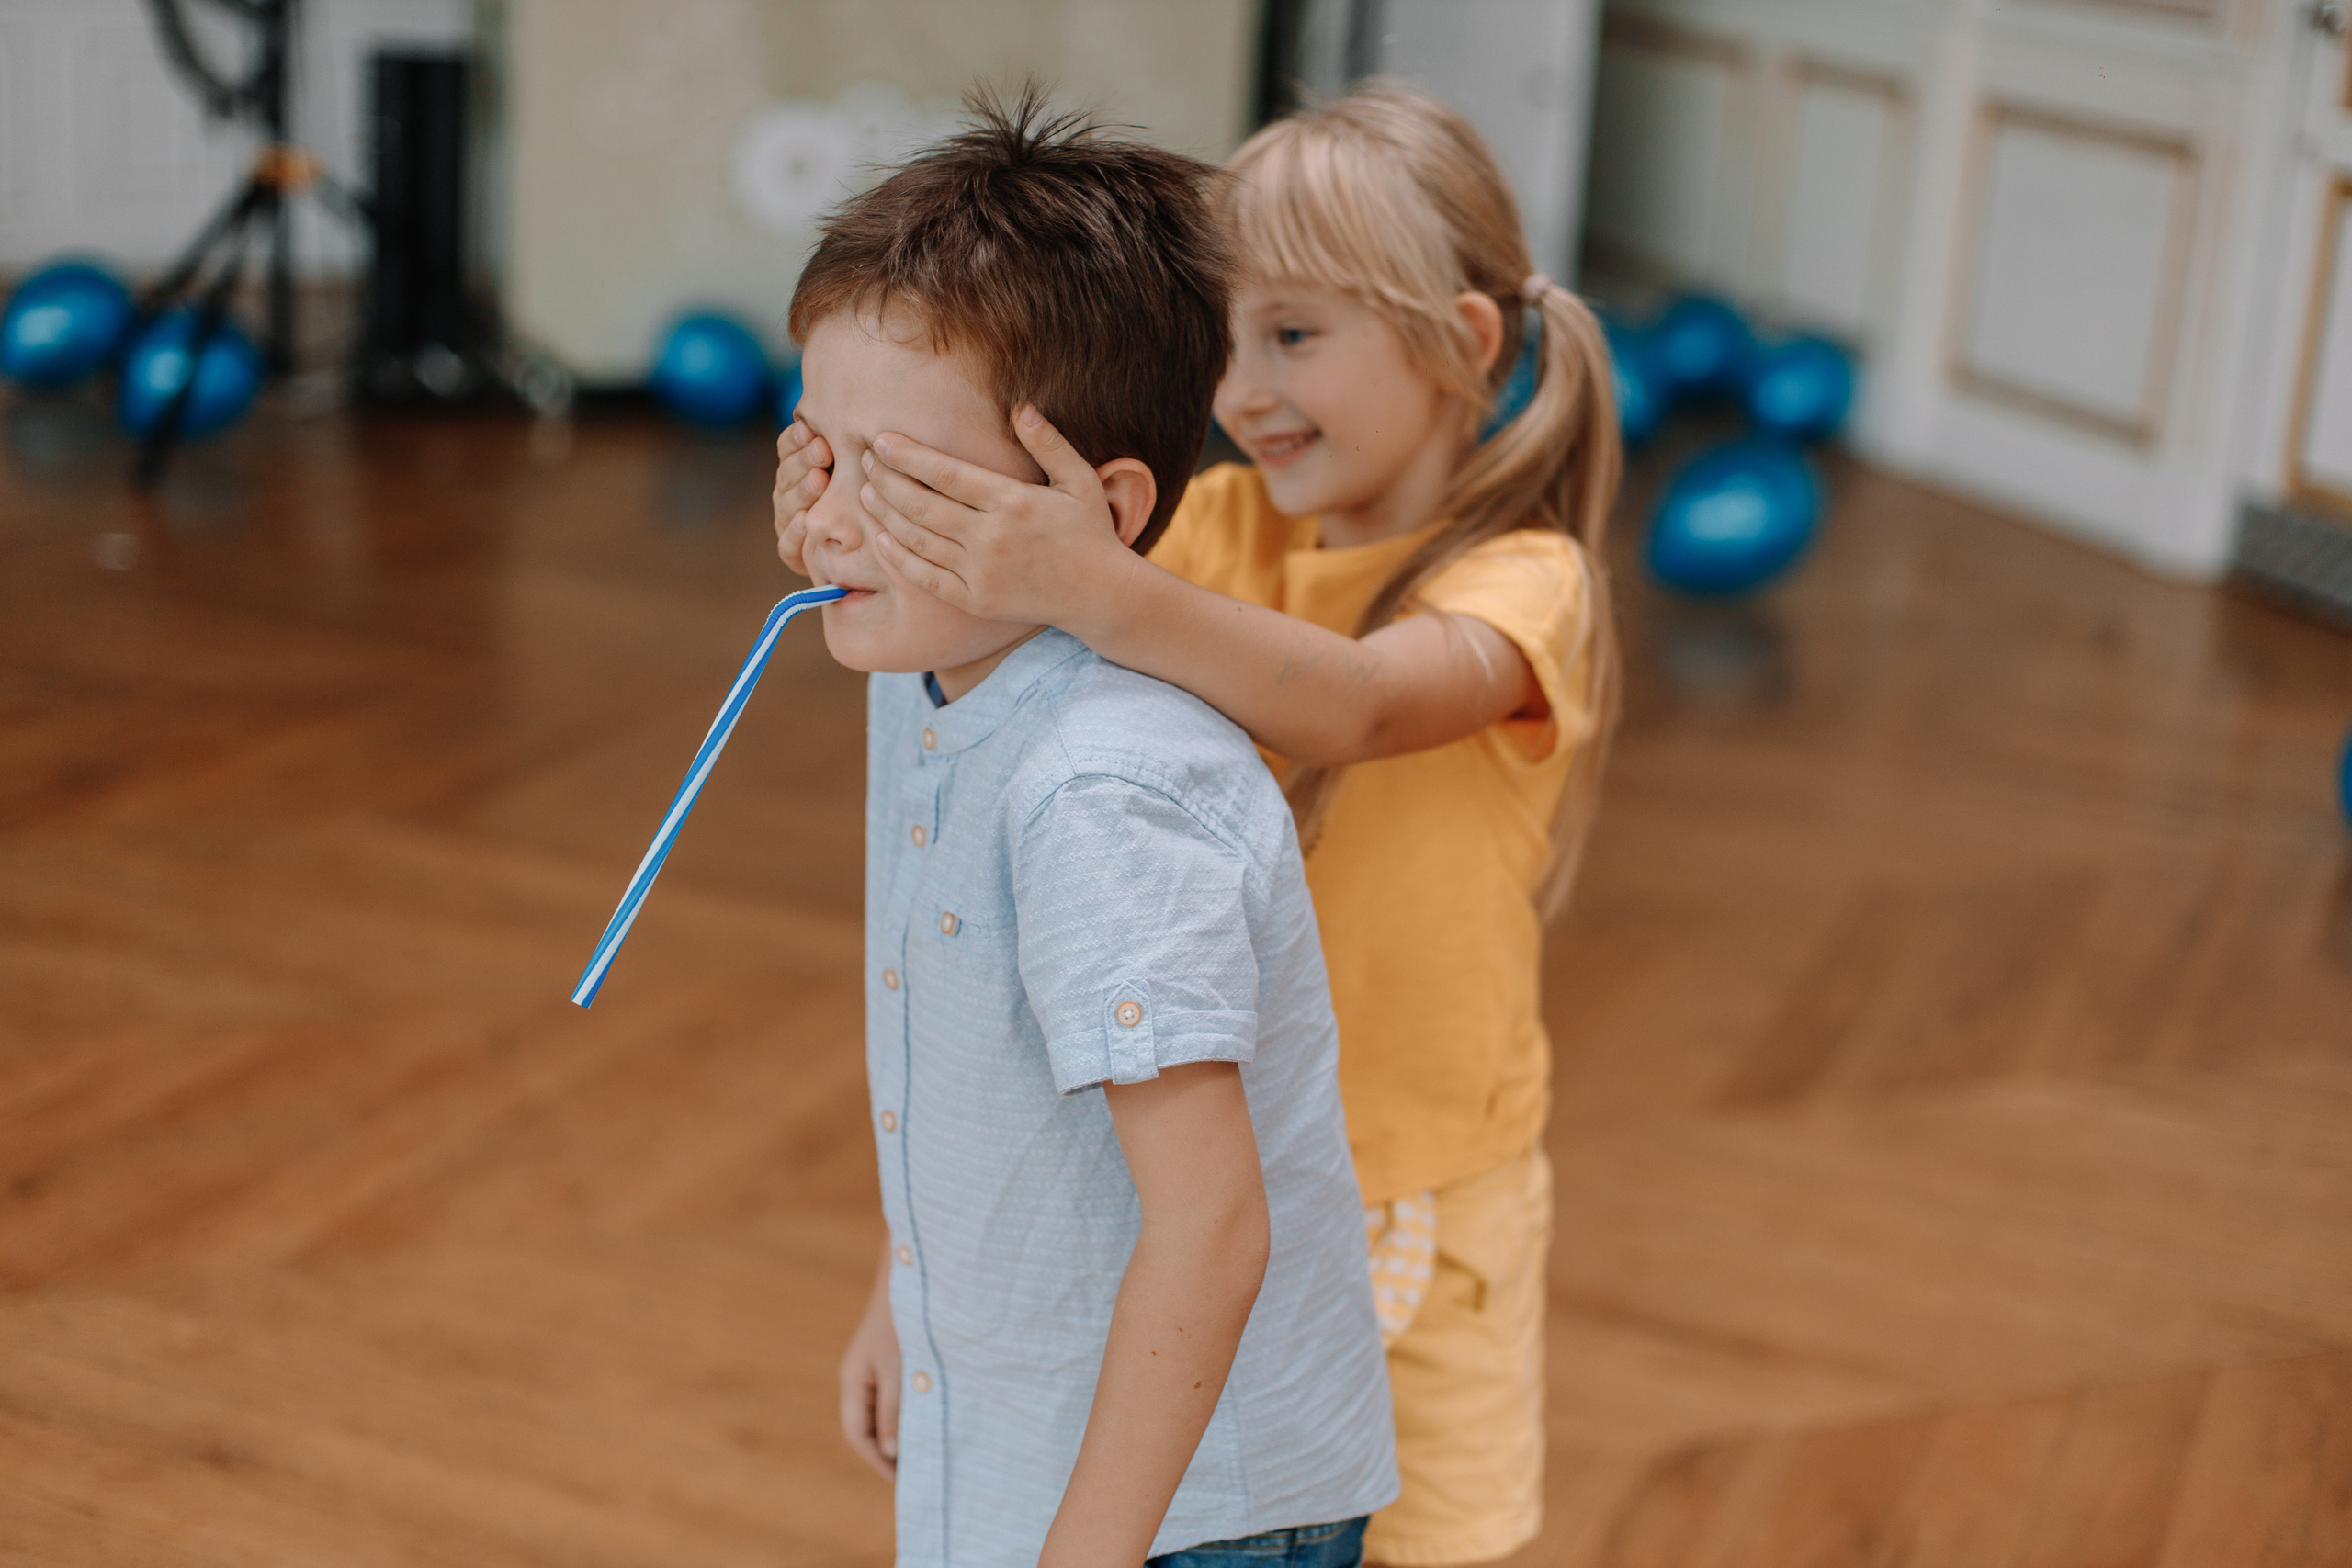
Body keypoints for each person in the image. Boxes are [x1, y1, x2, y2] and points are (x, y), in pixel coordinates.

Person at [775, 84, 1622, 1567]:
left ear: (1465, 346)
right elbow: (1002, 1049)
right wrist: (910, 1279)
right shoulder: (1215, 540)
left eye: (1295, 334)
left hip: (1405, 1186)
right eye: (1228, 340)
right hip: (1186, 1145)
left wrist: (1088, 576)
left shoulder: (1525, 583)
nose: (1240, 390)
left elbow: (1351, 705)